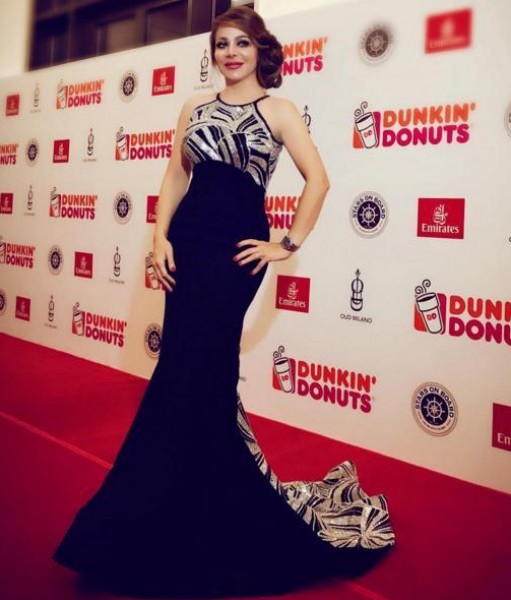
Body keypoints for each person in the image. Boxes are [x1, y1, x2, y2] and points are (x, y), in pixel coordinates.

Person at [52, 7, 395, 597]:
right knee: (179, 373)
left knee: (205, 373)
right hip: (187, 244)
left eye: (241, 43)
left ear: (261, 50)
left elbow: (318, 180)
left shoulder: (279, 111)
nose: (230, 53)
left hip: (236, 253)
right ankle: (165, 515)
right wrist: (159, 237)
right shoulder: (194, 107)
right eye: (221, 44)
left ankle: (209, 519)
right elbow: (175, 176)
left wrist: (287, 243)